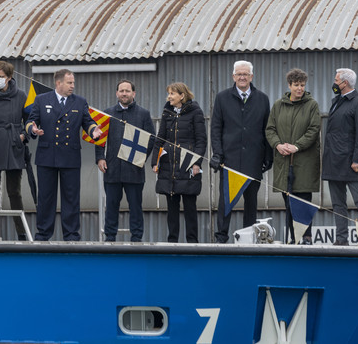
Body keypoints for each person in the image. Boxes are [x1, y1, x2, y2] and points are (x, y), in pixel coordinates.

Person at [26, 69, 102, 241]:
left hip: (70, 156)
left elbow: (87, 121)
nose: (72, 86)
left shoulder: (79, 101)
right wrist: (33, 129)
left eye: (73, 83)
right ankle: (43, 234)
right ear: (58, 83)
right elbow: (31, 120)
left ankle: (71, 235)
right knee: (46, 198)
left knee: (71, 199)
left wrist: (93, 130)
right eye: (69, 83)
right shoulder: (41, 99)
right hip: (47, 156)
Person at [211, 60, 273, 243]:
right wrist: (217, 153)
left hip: (254, 160)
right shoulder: (222, 98)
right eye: (239, 74)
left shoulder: (262, 99)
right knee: (225, 203)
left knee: (251, 203)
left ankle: (249, 240)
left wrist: (268, 155)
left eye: (245, 74)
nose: (242, 77)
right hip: (229, 160)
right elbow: (216, 129)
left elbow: (267, 129)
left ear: (251, 76)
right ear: (233, 76)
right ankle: (221, 239)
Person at [265, 68, 320, 245]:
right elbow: (270, 129)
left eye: (302, 85)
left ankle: (306, 237)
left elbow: (314, 129)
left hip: (304, 163)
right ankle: (293, 238)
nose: (299, 89)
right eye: (296, 85)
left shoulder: (312, 105)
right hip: (283, 162)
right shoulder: (278, 105)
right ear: (289, 85)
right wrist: (278, 145)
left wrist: (297, 146)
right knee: (288, 202)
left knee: (303, 202)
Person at [95, 80, 155, 242]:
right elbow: (99, 138)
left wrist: (141, 158)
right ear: (117, 94)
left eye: (127, 91)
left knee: (135, 206)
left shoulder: (143, 114)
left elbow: (151, 139)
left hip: (134, 170)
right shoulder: (108, 113)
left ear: (133, 94)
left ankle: (137, 238)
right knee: (111, 206)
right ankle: (110, 238)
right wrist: (100, 157)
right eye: (121, 91)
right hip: (112, 168)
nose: (124, 93)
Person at [322, 68, 358, 246]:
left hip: (350, 162)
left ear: (345, 83)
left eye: (336, 80)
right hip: (333, 161)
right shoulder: (337, 101)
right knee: (338, 204)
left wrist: (357, 159)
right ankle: (341, 239)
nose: (334, 83)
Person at [151, 82, 207, 243]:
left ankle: (192, 243)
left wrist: (196, 163)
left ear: (182, 95)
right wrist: (155, 161)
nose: (169, 97)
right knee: (172, 208)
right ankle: (172, 242)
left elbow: (201, 140)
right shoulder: (167, 111)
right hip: (169, 166)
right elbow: (160, 138)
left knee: (190, 207)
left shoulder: (195, 111)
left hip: (188, 165)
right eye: (168, 94)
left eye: (172, 94)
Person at [0, 61, 28, 241]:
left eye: (1, 77)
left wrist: (22, 136)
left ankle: (22, 233)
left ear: (9, 77)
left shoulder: (21, 96)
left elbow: (31, 120)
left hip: (14, 145)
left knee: (14, 191)